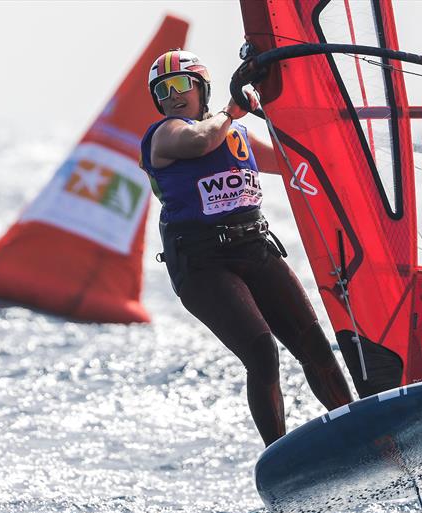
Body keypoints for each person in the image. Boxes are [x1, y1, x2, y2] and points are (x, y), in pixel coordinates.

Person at [139, 49, 353, 446]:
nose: (172, 95)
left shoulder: (235, 133)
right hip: (203, 267)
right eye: (162, 90)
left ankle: (364, 433)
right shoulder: (167, 134)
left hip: (255, 249)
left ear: (201, 88)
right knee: (261, 353)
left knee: (315, 346)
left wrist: (343, 148)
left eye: (181, 85)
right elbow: (201, 141)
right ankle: (279, 454)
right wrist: (231, 110)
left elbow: (296, 163)